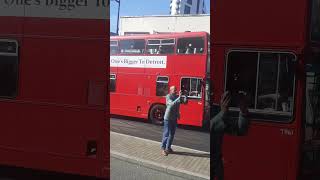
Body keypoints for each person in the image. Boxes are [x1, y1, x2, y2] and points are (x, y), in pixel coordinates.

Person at [211, 91, 250, 180]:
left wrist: (243, 111)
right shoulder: (220, 111)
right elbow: (211, 127)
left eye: (212, 92)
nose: (211, 95)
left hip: (217, 165)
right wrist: (223, 112)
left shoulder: (217, 110)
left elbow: (240, 131)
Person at [161, 86, 182, 156]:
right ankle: (163, 148)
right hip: (168, 118)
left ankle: (168, 148)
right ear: (171, 90)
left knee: (172, 134)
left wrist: (178, 113)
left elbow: (178, 105)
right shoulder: (168, 96)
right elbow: (171, 104)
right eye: (174, 89)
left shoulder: (176, 96)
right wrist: (179, 97)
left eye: (176, 89)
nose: (176, 90)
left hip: (174, 118)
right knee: (166, 134)